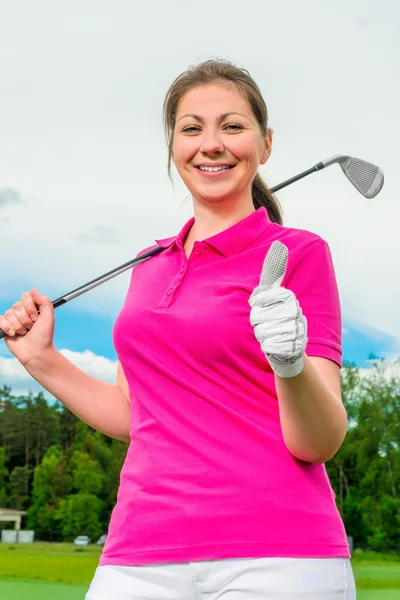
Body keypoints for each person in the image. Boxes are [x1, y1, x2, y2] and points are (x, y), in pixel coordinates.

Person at [0, 59, 356, 599]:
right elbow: (135, 413)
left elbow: (320, 441)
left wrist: (291, 363)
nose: (211, 144)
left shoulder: (297, 253)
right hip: (137, 552)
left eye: (232, 126)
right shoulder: (148, 265)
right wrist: (41, 360)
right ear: (174, 146)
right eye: (192, 128)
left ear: (265, 145)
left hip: (279, 555)